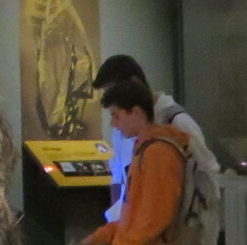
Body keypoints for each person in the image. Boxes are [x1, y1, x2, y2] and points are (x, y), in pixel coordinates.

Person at [84, 80, 192, 245]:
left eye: (116, 115)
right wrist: (105, 235)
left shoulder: (158, 153)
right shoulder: (145, 148)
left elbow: (156, 216)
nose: (113, 124)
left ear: (136, 112)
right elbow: (135, 212)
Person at [91, 55, 218, 223]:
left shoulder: (178, 122)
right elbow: (119, 179)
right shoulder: (120, 130)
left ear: (134, 83)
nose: (111, 99)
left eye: (114, 91)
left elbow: (206, 172)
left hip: (174, 226)